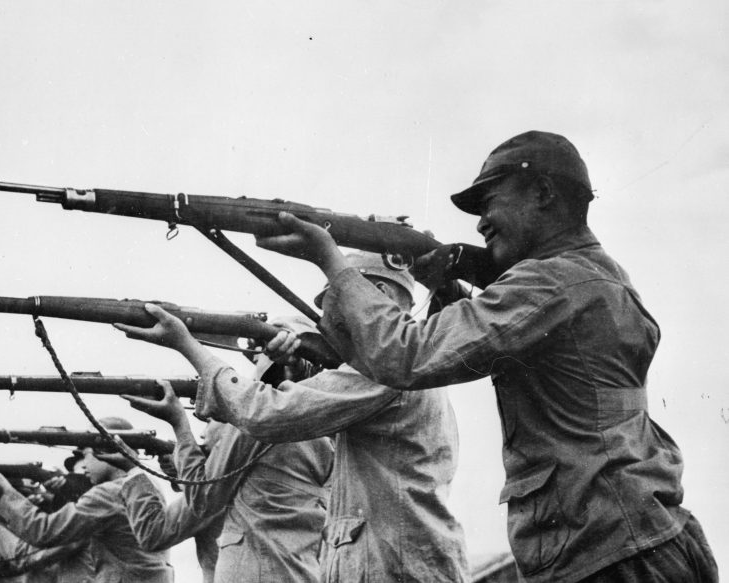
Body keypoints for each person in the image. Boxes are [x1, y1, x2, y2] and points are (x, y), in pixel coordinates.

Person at [243, 130, 718, 582]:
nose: (481, 222)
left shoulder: (548, 283)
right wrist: (450, 286)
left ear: (544, 193)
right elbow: (497, 354)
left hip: (610, 555)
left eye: (490, 202)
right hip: (640, 539)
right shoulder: (594, 276)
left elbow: (406, 358)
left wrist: (331, 260)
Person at [114, 256, 470, 582]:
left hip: (384, 565)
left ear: (375, 294)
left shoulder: (386, 366)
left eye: (336, 304)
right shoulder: (407, 364)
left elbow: (255, 424)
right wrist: (294, 369)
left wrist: (186, 349)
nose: (332, 323)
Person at [110, 355, 335, 583]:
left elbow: (160, 528)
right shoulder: (320, 439)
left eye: (209, 420)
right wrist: (182, 465)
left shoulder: (245, 446)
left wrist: (179, 429)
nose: (202, 431)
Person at [0, 417, 173, 583]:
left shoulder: (107, 494)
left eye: (86, 454)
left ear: (104, 450)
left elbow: (43, 532)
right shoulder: (147, 483)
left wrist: (4, 489)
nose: (83, 465)